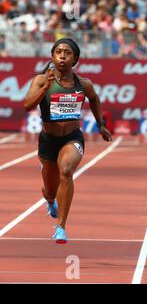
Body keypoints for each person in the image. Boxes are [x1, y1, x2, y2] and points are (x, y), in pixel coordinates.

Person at [23, 38, 113, 244]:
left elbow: (95, 99)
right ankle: (50, 200)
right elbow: (27, 106)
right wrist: (44, 87)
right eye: (58, 52)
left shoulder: (83, 84)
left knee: (66, 171)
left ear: (75, 59)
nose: (62, 56)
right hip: (48, 140)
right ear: (53, 57)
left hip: (72, 137)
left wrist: (100, 124)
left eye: (67, 53)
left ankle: (61, 227)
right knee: (49, 190)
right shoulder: (40, 80)